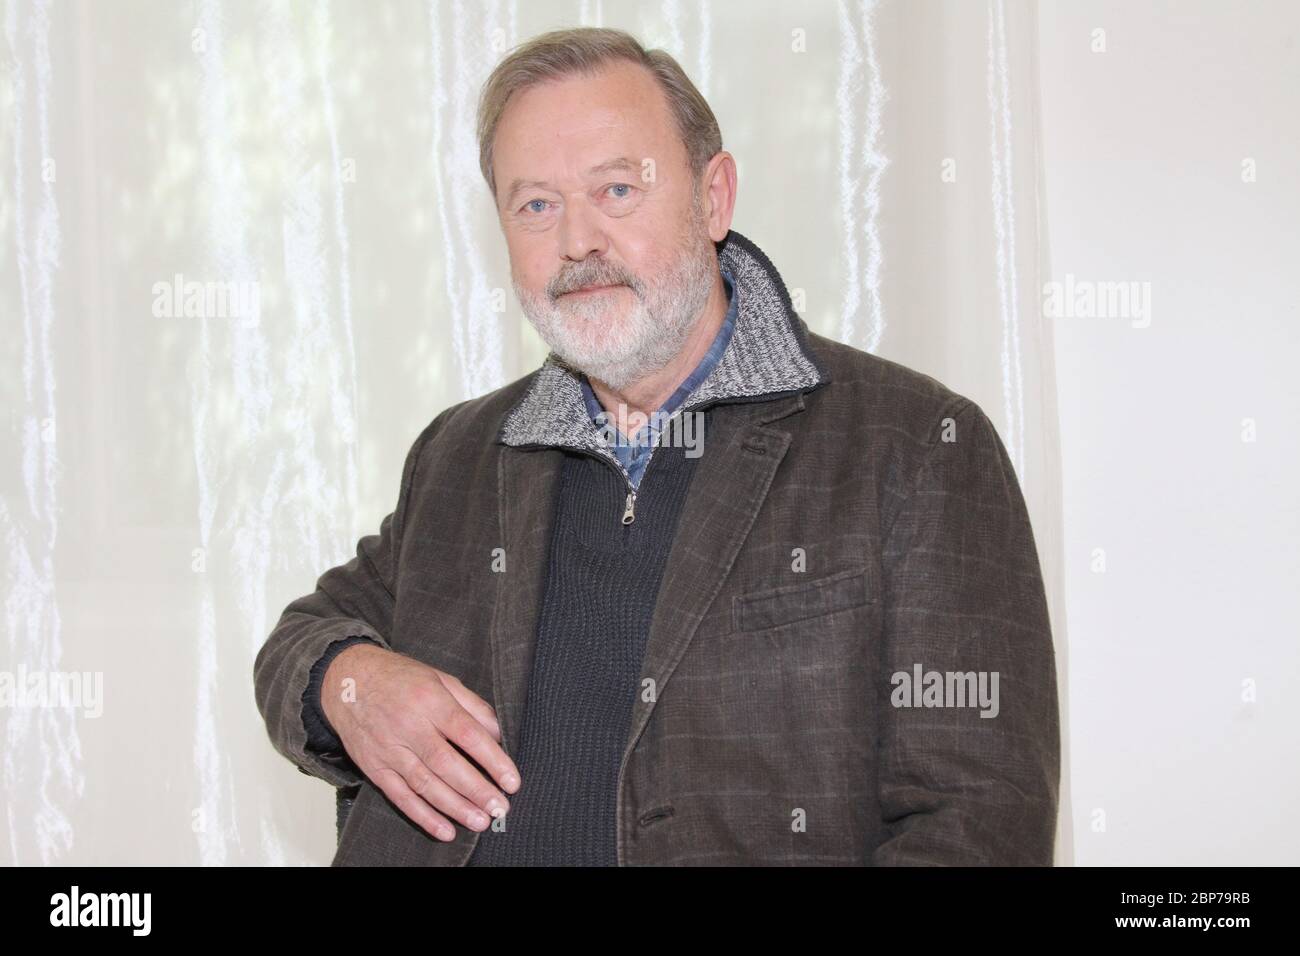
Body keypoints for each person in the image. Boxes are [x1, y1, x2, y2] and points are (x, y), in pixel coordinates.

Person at [254, 26, 1060, 866]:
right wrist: (350, 681)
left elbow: (980, 827)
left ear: (713, 197)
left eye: (616, 190)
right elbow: (300, 638)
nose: (576, 242)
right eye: (536, 205)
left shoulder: (918, 449)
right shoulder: (460, 453)